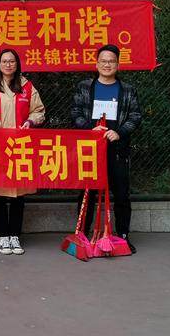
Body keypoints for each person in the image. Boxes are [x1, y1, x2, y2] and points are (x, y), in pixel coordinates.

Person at [0, 49, 45, 255]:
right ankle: (3, 236)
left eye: (11, 61)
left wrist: (31, 121)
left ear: (17, 64)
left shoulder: (27, 87)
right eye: (4, 61)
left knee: (19, 194)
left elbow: (39, 111)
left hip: (21, 146)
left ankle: (15, 235)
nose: (8, 65)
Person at [71, 43, 142, 253]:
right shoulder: (85, 87)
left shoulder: (127, 90)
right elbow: (75, 113)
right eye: (103, 61)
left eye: (111, 61)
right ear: (96, 64)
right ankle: (83, 235)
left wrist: (119, 132)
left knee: (121, 194)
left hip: (117, 150)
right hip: (91, 150)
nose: (107, 65)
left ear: (118, 65)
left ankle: (122, 236)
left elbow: (136, 117)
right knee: (87, 194)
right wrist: (90, 128)